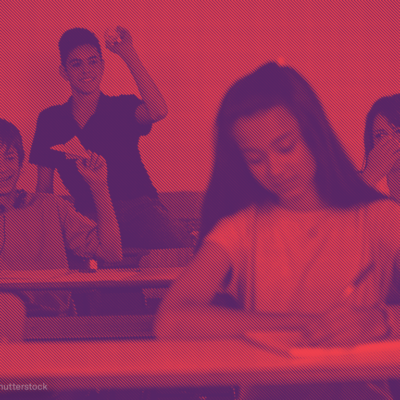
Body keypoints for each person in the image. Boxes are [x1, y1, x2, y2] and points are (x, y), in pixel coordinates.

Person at [154, 63, 399, 399]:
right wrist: (301, 323)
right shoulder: (242, 228)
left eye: (286, 147)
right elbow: (171, 319)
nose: (275, 169)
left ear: (314, 133)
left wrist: (380, 321)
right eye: (255, 158)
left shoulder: (378, 218)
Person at [29, 27, 187, 250]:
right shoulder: (50, 119)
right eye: (76, 64)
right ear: (64, 72)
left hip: (140, 208)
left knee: (182, 252)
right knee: (85, 272)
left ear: (102, 66)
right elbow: (44, 188)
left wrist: (128, 52)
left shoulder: (122, 107)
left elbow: (159, 111)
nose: (86, 70)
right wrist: (45, 233)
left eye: (93, 61)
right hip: (88, 214)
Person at [0, 118, 122, 326]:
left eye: (9, 157)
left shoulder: (51, 206)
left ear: (21, 163)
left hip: (54, 324)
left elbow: (111, 252)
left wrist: (99, 186)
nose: (2, 169)